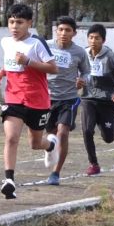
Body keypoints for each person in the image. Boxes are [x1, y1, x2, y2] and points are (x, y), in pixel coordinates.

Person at [0, 4, 58, 199]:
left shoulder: (37, 43)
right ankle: (9, 180)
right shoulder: (6, 42)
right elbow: (9, 62)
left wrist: (29, 62)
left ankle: (50, 145)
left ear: (29, 23)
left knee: (35, 143)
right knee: (11, 138)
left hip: (37, 100)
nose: (15, 26)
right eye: (11, 22)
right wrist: (0, 74)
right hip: (13, 98)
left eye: (19, 22)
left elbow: (53, 68)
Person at [44, 16, 91, 185]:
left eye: (68, 30)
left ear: (74, 33)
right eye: (61, 30)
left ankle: (56, 173)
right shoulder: (46, 46)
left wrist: (83, 80)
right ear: (56, 31)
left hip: (69, 98)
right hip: (46, 98)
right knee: (50, 135)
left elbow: (87, 72)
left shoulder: (79, 52)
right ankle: (49, 148)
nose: (63, 33)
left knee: (63, 133)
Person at [80, 24, 114, 176]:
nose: (93, 41)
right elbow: (76, 71)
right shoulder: (83, 54)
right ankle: (93, 164)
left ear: (103, 40)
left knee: (108, 138)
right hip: (88, 98)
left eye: (97, 38)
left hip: (106, 100)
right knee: (87, 130)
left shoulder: (110, 56)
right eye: (91, 38)